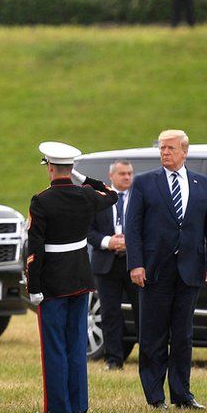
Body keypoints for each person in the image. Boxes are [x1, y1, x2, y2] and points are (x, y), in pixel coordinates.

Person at [125, 130, 207, 410]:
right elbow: (133, 227)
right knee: (153, 336)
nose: (165, 152)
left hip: (190, 270)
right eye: (161, 148)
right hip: (155, 271)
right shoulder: (145, 183)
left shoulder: (203, 184)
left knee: (183, 336)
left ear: (184, 151)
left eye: (170, 148)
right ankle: (155, 397)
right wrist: (136, 263)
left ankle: (182, 395)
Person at [26, 142, 117, 413]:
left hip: (53, 282)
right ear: (71, 169)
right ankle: (78, 407)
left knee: (54, 346)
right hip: (80, 277)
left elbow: (35, 249)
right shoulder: (86, 196)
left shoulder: (41, 201)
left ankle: (58, 408)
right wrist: (83, 179)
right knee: (76, 344)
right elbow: (111, 194)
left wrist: (34, 287)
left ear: (50, 168)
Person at [87, 159, 140, 370]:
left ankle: (148, 358)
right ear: (111, 176)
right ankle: (113, 360)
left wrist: (131, 242)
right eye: (122, 174)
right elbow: (88, 231)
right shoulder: (99, 200)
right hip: (105, 264)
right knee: (110, 313)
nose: (127, 177)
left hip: (134, 263)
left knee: (142, 312)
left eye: (129, 173)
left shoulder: (140, 198)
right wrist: (108, 241)